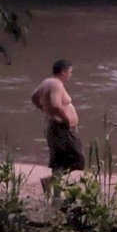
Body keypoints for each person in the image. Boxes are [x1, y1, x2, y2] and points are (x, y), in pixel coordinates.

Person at [30, 59, 85, 192]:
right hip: (62, 128)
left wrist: (45, 110)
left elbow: (34, 97)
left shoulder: (47, 82)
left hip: (55, 127)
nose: (70, 75)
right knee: (78, 160)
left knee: (59, 162)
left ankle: (55, 195)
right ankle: (51, 183)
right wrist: (66, 119)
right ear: (63, 72)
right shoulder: (56, 84)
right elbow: (55, 104)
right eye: (70, 72)